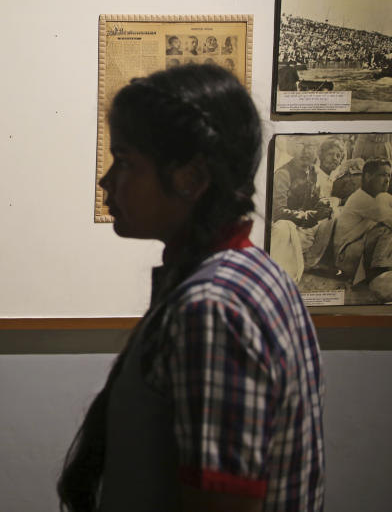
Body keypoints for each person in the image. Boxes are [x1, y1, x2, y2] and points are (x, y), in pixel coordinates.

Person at [58, 64, 324, 511]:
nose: (106, 182)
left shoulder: (213, 309)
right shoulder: (251, 273)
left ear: (191, 179)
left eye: (125, 162)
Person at [268, 137, 334, 281]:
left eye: (311, 145)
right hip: (284, 228)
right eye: (301, 144)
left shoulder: (312, 172)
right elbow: (278, 212)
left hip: (302, 226)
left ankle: (311, 261)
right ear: (291, 148)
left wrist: (323, 204)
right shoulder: (283, 174)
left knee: (333, 214)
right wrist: (311, 216)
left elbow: (318, 196)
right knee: (284, 226)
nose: (306, 151)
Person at [332, 158, 392, 286]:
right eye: (382, 175)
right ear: (368, 176)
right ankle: (378, 271)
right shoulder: (362, 199)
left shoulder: (377, 197)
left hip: (358, 250)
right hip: (346, 257)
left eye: (389, 175)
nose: (387, 180)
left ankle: (381, 269)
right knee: (386, 229)